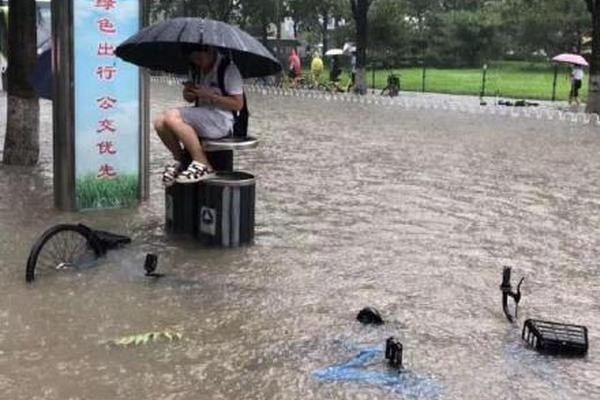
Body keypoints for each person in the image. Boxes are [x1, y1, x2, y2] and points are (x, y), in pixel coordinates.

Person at [153, 45, 244, 186]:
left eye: (201, 58)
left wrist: (209, 95)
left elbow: (238, 104)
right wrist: (188, 93)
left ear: (211, 51)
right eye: (194, 59)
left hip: (221, 120)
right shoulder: (195, 69)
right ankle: (181, 161)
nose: (198, 62)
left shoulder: (228, 69)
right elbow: (189, 98)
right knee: (160, 122)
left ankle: (202, 163)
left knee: (171, 117)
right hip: (202, 115)